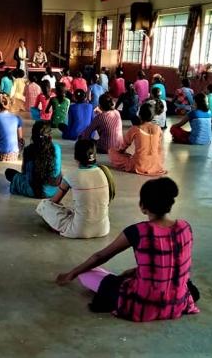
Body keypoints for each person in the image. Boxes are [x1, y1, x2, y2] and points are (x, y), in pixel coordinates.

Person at [56, 177, 200, 322]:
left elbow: (100, 257)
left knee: (86, 274)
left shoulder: (138, 231)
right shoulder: (185, 227)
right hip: (177, 302)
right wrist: (135, 272)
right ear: (170, 204)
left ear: (143, 206)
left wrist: (72, 273)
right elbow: (173, 261)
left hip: (142, 305)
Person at [36, 139, 114, 238]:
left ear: (76, 157)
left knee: (44, 205)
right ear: (95, 156)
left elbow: (55, 201)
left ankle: (56, 227)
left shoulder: (71, 176)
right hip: (104, 229)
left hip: (79, 231)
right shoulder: (104, 172)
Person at [5, 121, 62, 198]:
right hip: (53, 191)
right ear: (50, 136)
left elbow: (25, 173)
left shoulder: (28, 150)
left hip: (33, 191)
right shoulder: (56, 148)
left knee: (9, 172)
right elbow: (56, 173)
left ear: (33, 136)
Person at [109, 102, 167, 176]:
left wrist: (118, 152)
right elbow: (159, 149)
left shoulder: (135, 129)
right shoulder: (158, 129)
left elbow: (123, 147)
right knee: (130, 156)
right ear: (153, 116)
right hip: (157, 164)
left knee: (112, 152)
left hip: (139, 165)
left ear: (139, 115)